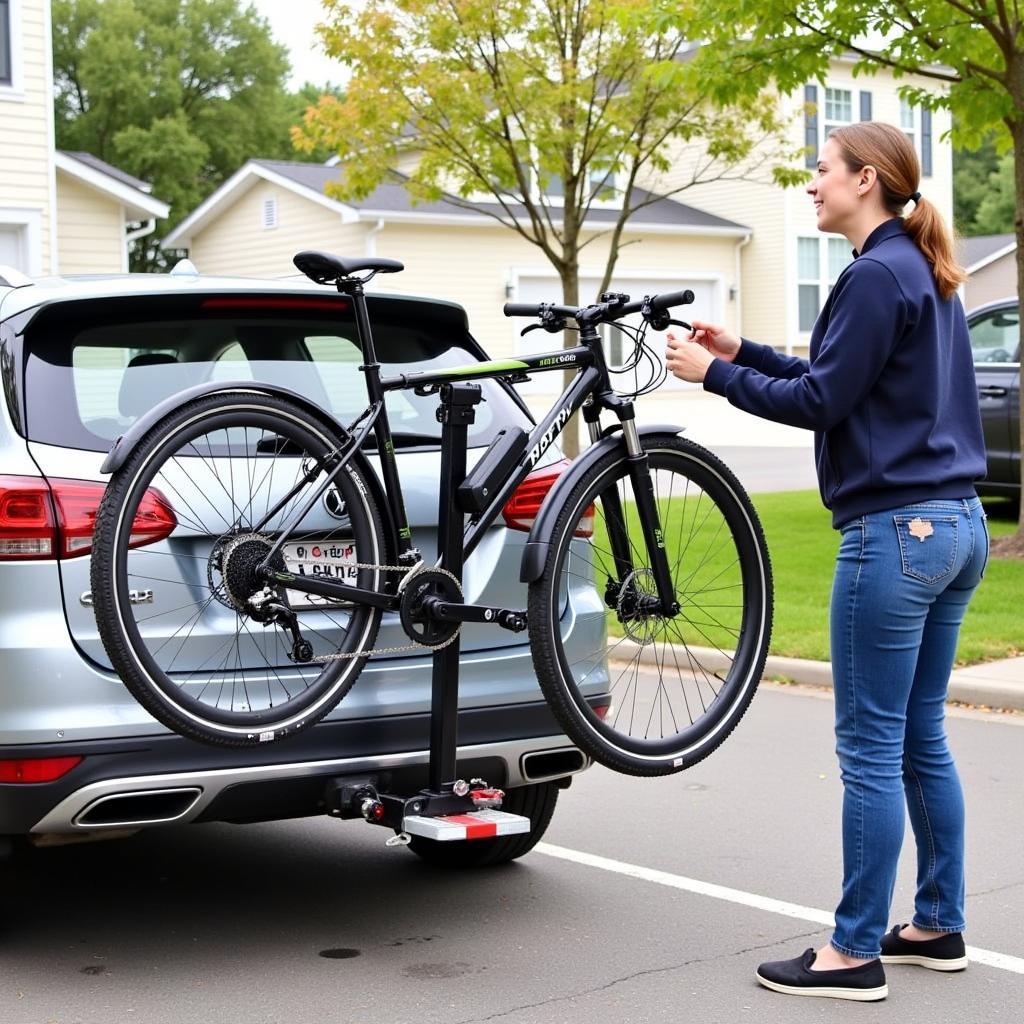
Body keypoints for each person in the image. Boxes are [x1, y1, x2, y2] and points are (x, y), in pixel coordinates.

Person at [665, 121, 988, 1002]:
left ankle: (853, 952)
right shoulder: (917, 270)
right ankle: (937, 923)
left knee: (873, 748)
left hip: (896, 535)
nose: (812, 185)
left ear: (868, 180)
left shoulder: (876, 274)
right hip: (955, 529)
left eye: (823, 171)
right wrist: (744, 353)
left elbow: (820, 403)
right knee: (920, 733)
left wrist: (712, 378)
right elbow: (847, 380)